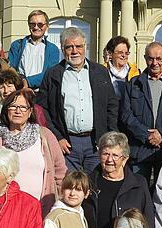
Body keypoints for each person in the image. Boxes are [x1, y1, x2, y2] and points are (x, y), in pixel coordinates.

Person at [37, 27, 118, 172]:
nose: (75, 51)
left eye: (79, 46)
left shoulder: (100, 72)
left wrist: (108, 137)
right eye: (69, 47)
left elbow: (111, 106)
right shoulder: (53, 74)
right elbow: (43, 110)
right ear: (63, 49)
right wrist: (57, 137)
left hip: (96, 142)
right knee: (69, 189)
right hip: (67, 144)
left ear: (85, 47)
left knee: (94, 188)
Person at [0, 88, 66, 213]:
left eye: (23, 107)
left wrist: (62, 203)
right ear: (6, 110)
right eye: (13, 106)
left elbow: (60, 173)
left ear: (30, 112)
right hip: (4, 211)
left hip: (41, 209)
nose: (18, 111)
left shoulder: (45, 136)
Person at [120, 42, 162, 179]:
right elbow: (126, 115)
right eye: (151, 58)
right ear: (145, 59)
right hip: (139, 150)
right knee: (138, 192)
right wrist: (147, 135)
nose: (155, 63)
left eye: (159, 59)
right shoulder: (133, 85)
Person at [0, 69, 49, 142]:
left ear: (17, 88)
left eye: (9, 86)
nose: (6, 91)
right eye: (2, 87)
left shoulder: (35, 110)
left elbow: (43, 135)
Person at [7, 10, 60, 89]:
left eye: (40, 24)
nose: (36, 27)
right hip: (21, 91)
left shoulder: (53, 49)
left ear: (47, 26)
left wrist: (28, 81)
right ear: (29, 25)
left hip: (42, 93)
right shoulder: (17, 45)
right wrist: (20, 82)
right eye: (32, 24)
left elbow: (50, 73)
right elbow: (11, 70)